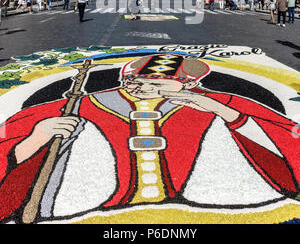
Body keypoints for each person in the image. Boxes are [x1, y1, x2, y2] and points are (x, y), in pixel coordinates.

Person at [0, 54, 299, 224]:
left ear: (185, 85)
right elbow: (12, 135)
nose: (141, 87)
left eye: (154, 82)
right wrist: (34, 140)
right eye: (134, 82)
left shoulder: (217, 102)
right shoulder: (81, 104)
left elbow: (282, 135)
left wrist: (228, 115)